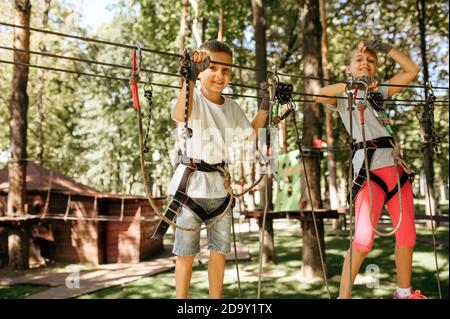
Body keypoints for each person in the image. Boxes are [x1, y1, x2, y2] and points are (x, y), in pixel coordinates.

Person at [314, 40, 427, 299]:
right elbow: (318, 94)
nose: (365, 63)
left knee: (408, 237)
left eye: (371, 61)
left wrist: (386, 47)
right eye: (359, 60)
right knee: (363, 240)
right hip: (369, 170)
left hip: (397, 171)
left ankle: (404, 293)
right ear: (349, 69)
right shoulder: (343, 95)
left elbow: (412, 70)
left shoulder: (379, 92)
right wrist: (352, 85)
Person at [166, 40, 269, 299]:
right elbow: (181, 113)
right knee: (185, 253)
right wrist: (188, 78)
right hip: (190, 189)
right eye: (212, 68)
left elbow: (252, 134)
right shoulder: (193, 98)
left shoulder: (232, 107)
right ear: (200, 71)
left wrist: (266, 104)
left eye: (226, 71)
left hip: (220, 192)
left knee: (220, 251)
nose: (220, 76)